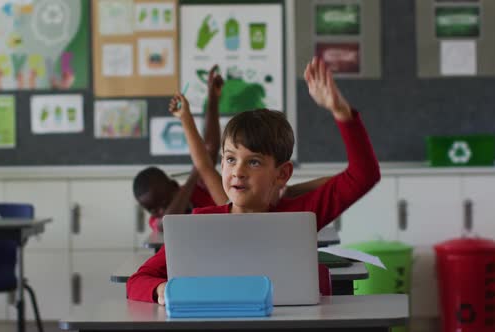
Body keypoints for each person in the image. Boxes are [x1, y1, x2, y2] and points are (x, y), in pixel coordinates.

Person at [127, 57, 380, 304]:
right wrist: (160, 289)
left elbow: (364, 175)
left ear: (282, 174)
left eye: (254, 162)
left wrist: (341, 112)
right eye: (230, 159)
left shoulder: (300, 215)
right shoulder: (200, 224)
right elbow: (138, 280)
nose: (238, 171)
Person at [133, 65, 224, 232]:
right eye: (153, 210)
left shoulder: (201, 189)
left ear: (175, 187)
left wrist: (212, 99)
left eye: (164, 204)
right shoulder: (157, 221)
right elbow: (167, 223)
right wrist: (194, 174)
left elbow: (210, 148)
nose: (160, 212)